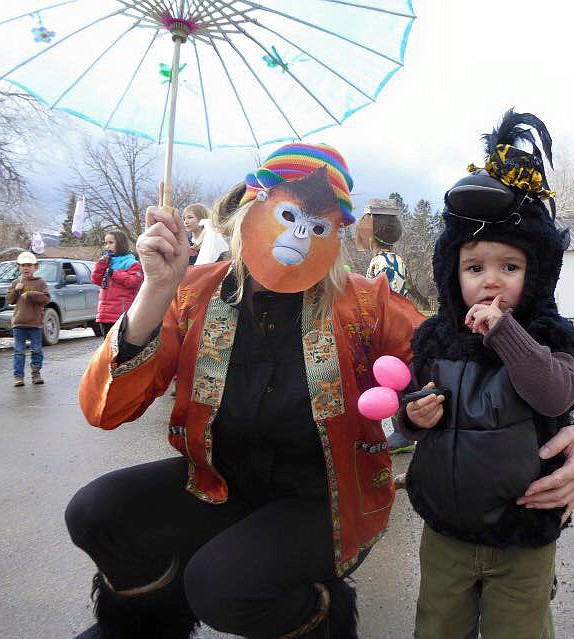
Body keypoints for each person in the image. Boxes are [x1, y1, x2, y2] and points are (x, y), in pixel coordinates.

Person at [66, 142, 425, 639]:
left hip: (322, 497)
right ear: (250, 212)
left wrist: (572, 422)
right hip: (219, 481)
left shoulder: (364, 304)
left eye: (319, 225)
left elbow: (442, 357)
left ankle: (320, 618)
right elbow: (104, 410)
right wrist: (154, 291)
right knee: (96, 512)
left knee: (222, 585)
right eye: (286, 213)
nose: (299, 234)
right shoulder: (192, 292)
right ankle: (148, 623)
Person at [398, 110, 574, 639]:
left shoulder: (549, 332)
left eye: (509, 267)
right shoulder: (436, 337)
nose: (491, 281)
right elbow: (412, 414)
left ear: (533, 274)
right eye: (474, 267)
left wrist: (505, 333)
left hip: (523, 535)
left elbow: (555, 395)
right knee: (437, 627)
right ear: (450, 272)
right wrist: (413, 416)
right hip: (446, 534)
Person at [356, 198, 414, 453]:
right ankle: (401, 430)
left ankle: (401, 432)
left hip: (388, 329)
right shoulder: (395, 259)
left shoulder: (382, 263)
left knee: (390, 379)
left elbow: (380, 302)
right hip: (397, 325)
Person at [7, 251, 50, 386]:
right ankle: (18, 376)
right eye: (23, 265)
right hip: (19, 323)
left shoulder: (40, 282)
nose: (26, 268)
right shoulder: (16, 282)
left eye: (29, 265)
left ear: (35, 267)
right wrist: (16, 290)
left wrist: (30, 294)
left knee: (36, 349)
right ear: (19, 268)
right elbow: (10, 300)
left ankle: (36, 373)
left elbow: (46, 299)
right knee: (19, 351)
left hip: (35, 323)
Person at [91, 230, 143, 337]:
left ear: (120, 243)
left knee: (120, 346)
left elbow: (134, 282)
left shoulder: (131, 263)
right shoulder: (108, 262)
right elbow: (96, 280)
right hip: (105, 313)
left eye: (111, 243)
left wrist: (114, 274)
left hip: (121, 312)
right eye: (106, 243)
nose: (107, 246)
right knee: (108, 347)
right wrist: (101, 265)